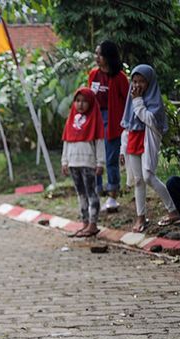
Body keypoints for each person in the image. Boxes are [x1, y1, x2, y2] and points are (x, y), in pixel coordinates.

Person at [120, 64, 180, 233]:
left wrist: (138, 101)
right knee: (138, 180)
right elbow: (127, 125)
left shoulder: (154, 101)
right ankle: (140, 217)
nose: (137, 85)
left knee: (148, 176)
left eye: (142, 82)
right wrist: (121, 149)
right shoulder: (130, 99)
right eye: (135, 81)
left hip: (147, 139)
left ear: (150, 83)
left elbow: (150, 121)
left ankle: (173, 209)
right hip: (132, 140)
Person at [88, 40, 129, 212]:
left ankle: (112, 195)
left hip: (113, 122)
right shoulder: (93, 75)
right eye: (96, 53)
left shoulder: (120, 78)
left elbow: (128, 102)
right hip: (95, 121)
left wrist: (126, 125)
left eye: (100, 54)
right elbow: (90, 98)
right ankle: (96, 194)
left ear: (108, 56)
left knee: (111, 160)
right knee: (94, 159)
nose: (97, 57)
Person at [61, 87, 105, 237]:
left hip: (88, 163)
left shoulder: (94, 120)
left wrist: (100, 163)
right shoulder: (71, 121)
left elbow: (99, 143)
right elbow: (67, 141)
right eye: (77, 101)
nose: (80, 104)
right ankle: (84, 223)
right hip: (73, 163)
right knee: (81, 194)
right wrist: (64, 161)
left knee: (92, 193)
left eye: (85, 101)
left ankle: (93, 224)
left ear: (91, 103)